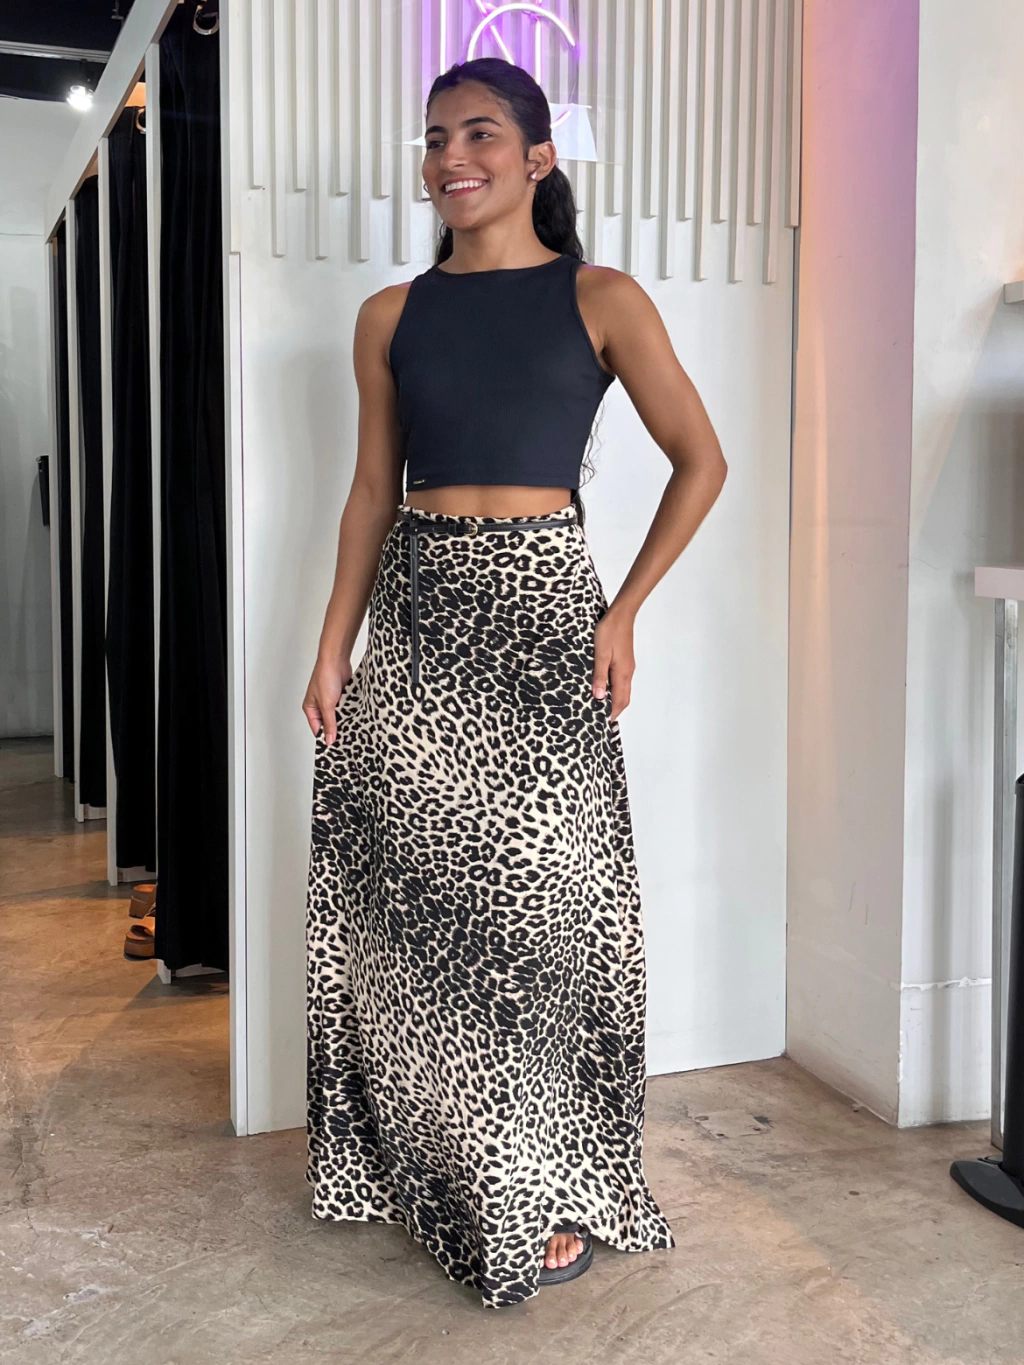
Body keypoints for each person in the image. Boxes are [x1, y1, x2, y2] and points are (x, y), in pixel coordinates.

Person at [302, 57, 726, 1310]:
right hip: (417, 620)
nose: (450, 157)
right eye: (435, 138)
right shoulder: (390, 314)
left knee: (538, 921)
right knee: (419, 918)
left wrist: (624, 610)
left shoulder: (601, 298)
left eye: (479, 134)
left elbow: (701, 461)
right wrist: (331, 647)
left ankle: (540, 1176)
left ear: (538, 158)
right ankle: (442, 1170)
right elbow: (371, 490)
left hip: (545, 619)